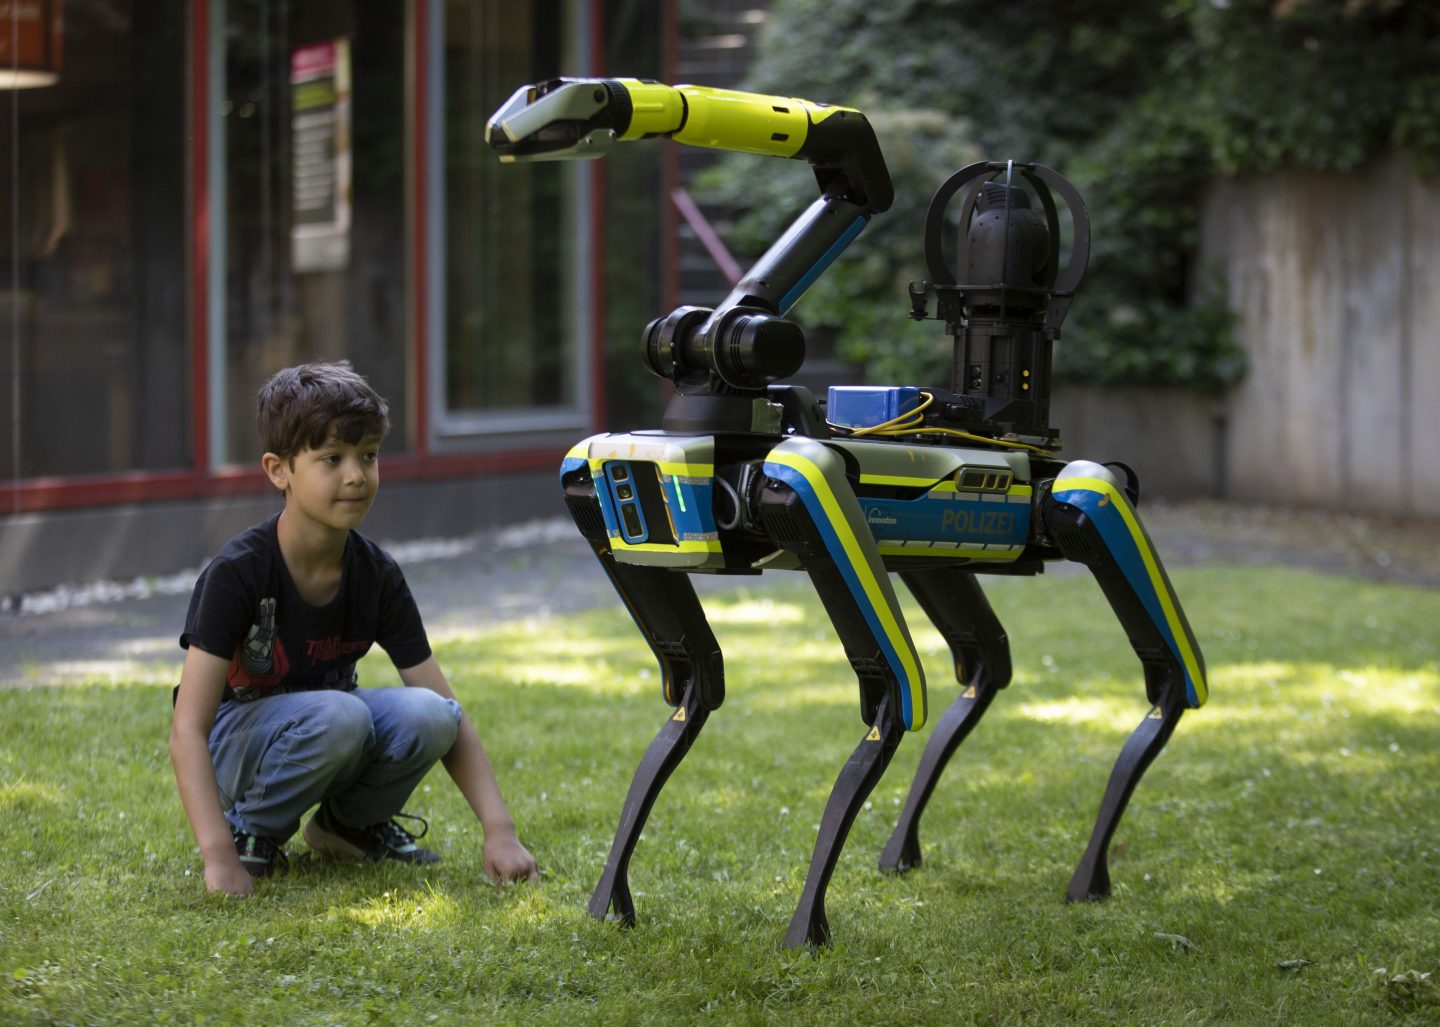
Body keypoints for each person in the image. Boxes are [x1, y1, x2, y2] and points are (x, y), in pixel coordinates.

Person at [169, 361, 538, 897]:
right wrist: (217, 857)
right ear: (279, 470)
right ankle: (252, 832)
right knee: (341, 714)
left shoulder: (376, 574)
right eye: (331, 459)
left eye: (368, 455)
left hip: (328, 731)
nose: (355, 475)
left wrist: (500, 833)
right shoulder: (239, 572)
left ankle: (345, 827)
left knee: (432, 715)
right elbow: (188, 729)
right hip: (237, 745)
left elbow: (448, 715)